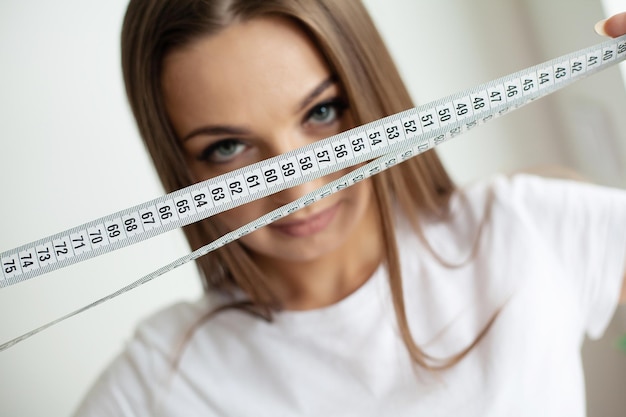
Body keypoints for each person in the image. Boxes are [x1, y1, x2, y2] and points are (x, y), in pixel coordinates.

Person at [74, 2, 626, 416]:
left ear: (372, 94)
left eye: (323, 112)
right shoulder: (157, 384)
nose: (298, 189)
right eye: (227, 148)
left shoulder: (528, 227)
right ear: (181, 169)